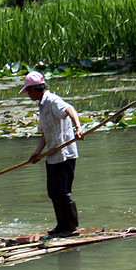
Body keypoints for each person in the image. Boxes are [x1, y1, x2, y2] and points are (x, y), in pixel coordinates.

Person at [19, 71, 84, 238]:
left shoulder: (53, 100)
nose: (28, 95)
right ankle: (61, 225)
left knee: (63, 192)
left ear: (36, 89)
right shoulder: (42, 105)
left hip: (65, 154)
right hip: (52, 154)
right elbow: (45, 133)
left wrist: (78, 128)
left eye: (29, 92)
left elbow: (70, 109)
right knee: (53, 192)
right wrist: (38, 152)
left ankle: (71, 228)